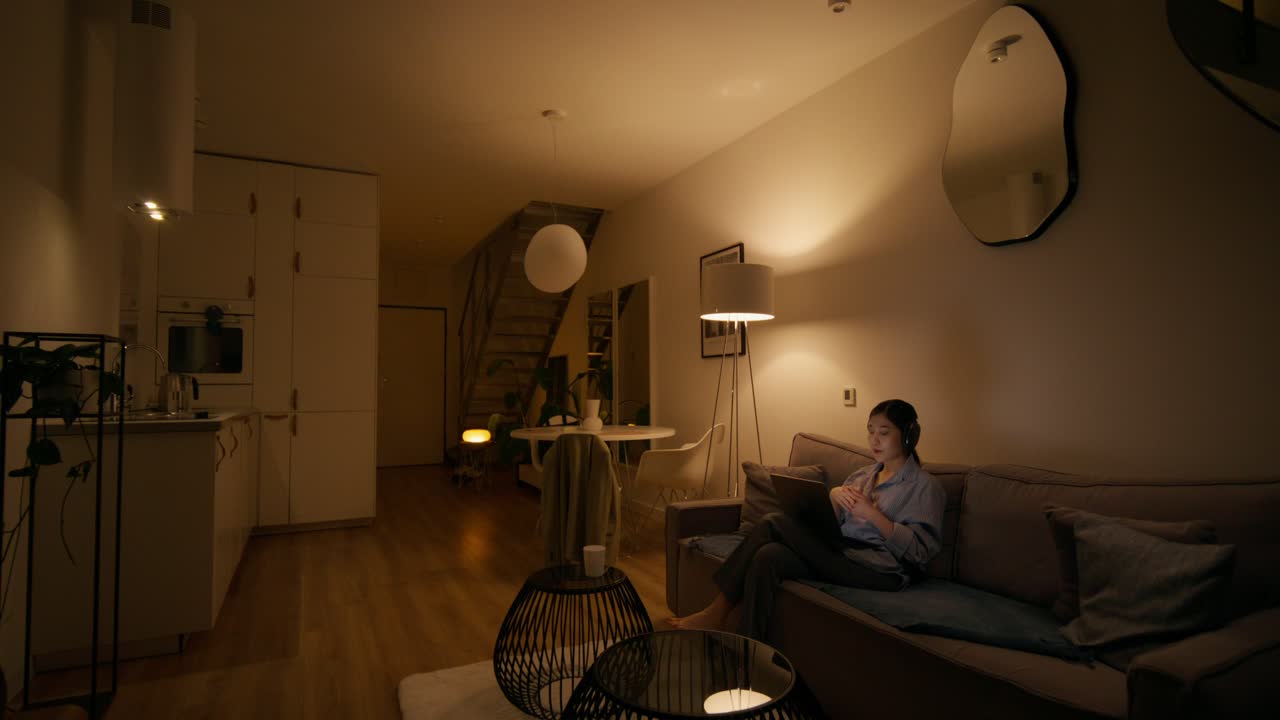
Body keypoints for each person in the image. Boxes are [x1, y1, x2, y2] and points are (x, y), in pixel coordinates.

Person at [668, 399, 946, 639]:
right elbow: (833, 526)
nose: (874, 440)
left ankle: (715, 612)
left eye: (884, 432)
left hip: (881, 570)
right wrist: (834, 499)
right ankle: (749, 649)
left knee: (772, 521)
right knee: (768, 555)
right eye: (870, 431)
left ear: (908, 436)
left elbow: (920, 552)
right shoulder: (862, 476)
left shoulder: (924, 486)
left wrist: (873, 515)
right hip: (843, 552)